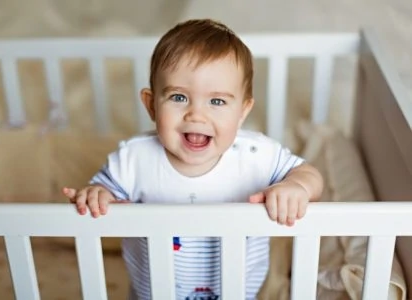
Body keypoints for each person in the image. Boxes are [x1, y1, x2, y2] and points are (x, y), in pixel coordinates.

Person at [63, 19, 323, 300]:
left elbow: (308, 174)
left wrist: (296, 187)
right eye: (178, 97)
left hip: (238, 293)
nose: (196, 115)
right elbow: (103, 191)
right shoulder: (134, 159)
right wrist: (96, 195)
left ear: (243, 111)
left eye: (217, 102)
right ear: (152, 105)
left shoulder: (256, 155)